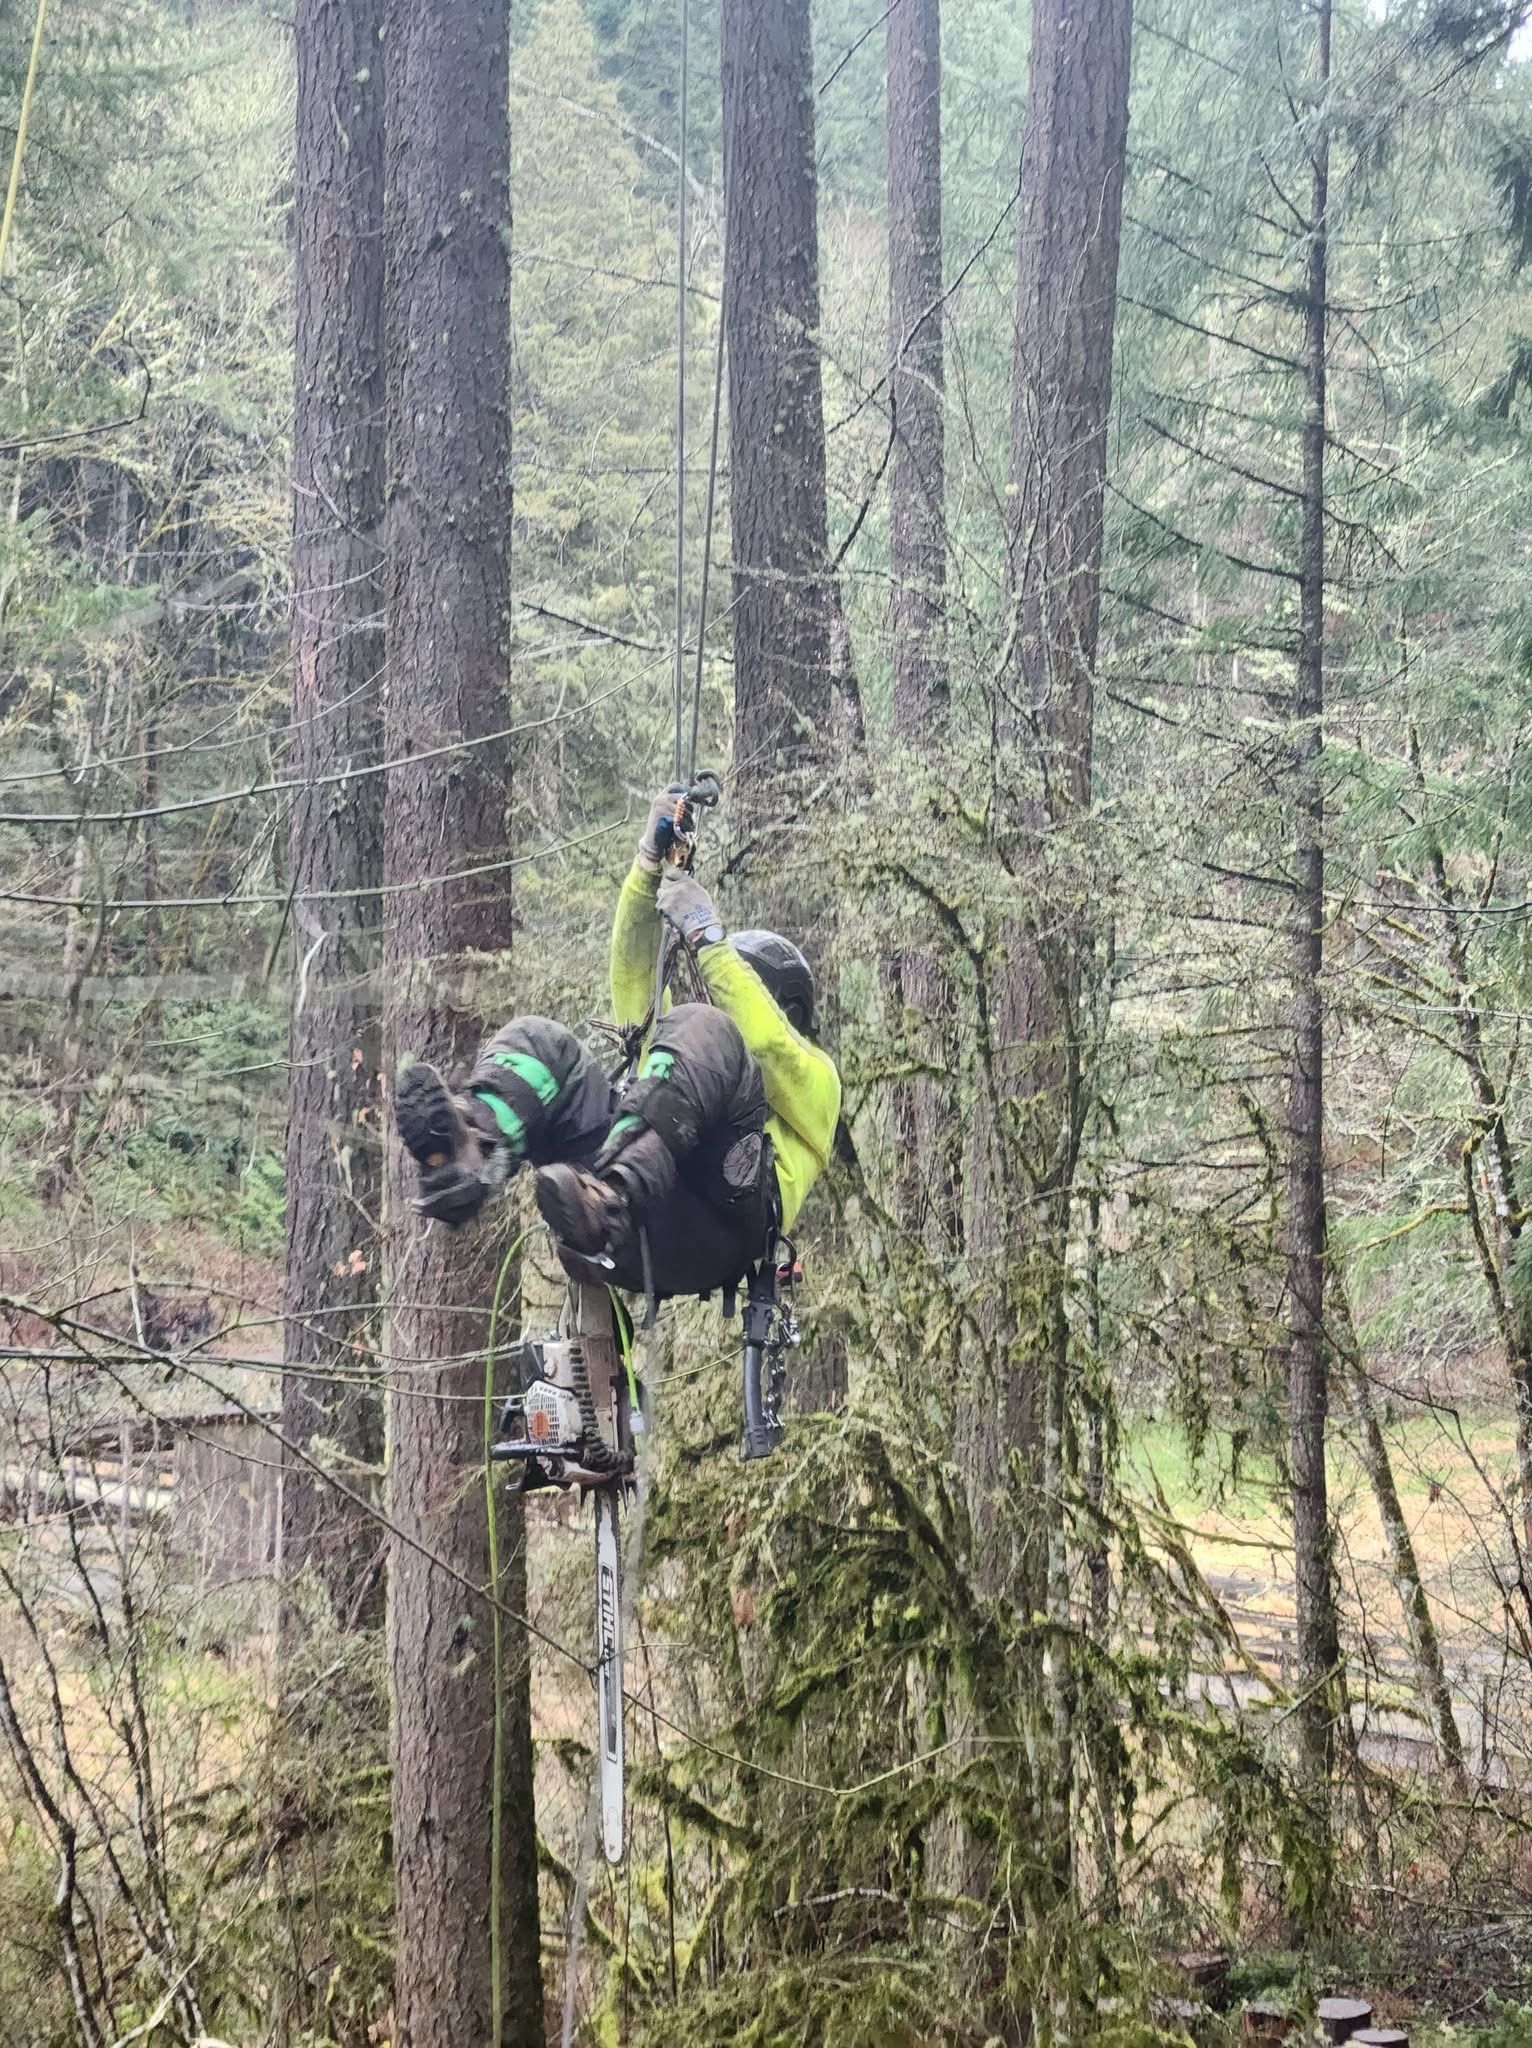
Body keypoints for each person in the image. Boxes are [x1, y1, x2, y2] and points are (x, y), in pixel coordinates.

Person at [393, 786, 841, 1302]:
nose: (715, 995)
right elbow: (633, 977)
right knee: (544, 1045)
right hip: (630, 1214)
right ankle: (471, 1149)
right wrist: (648, 866)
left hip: (716, 1224)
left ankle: (611, 1198)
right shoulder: (684, 1067)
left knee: (704, 1031)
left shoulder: (816, 1081)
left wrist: (710, 940)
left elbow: (762, 1041)